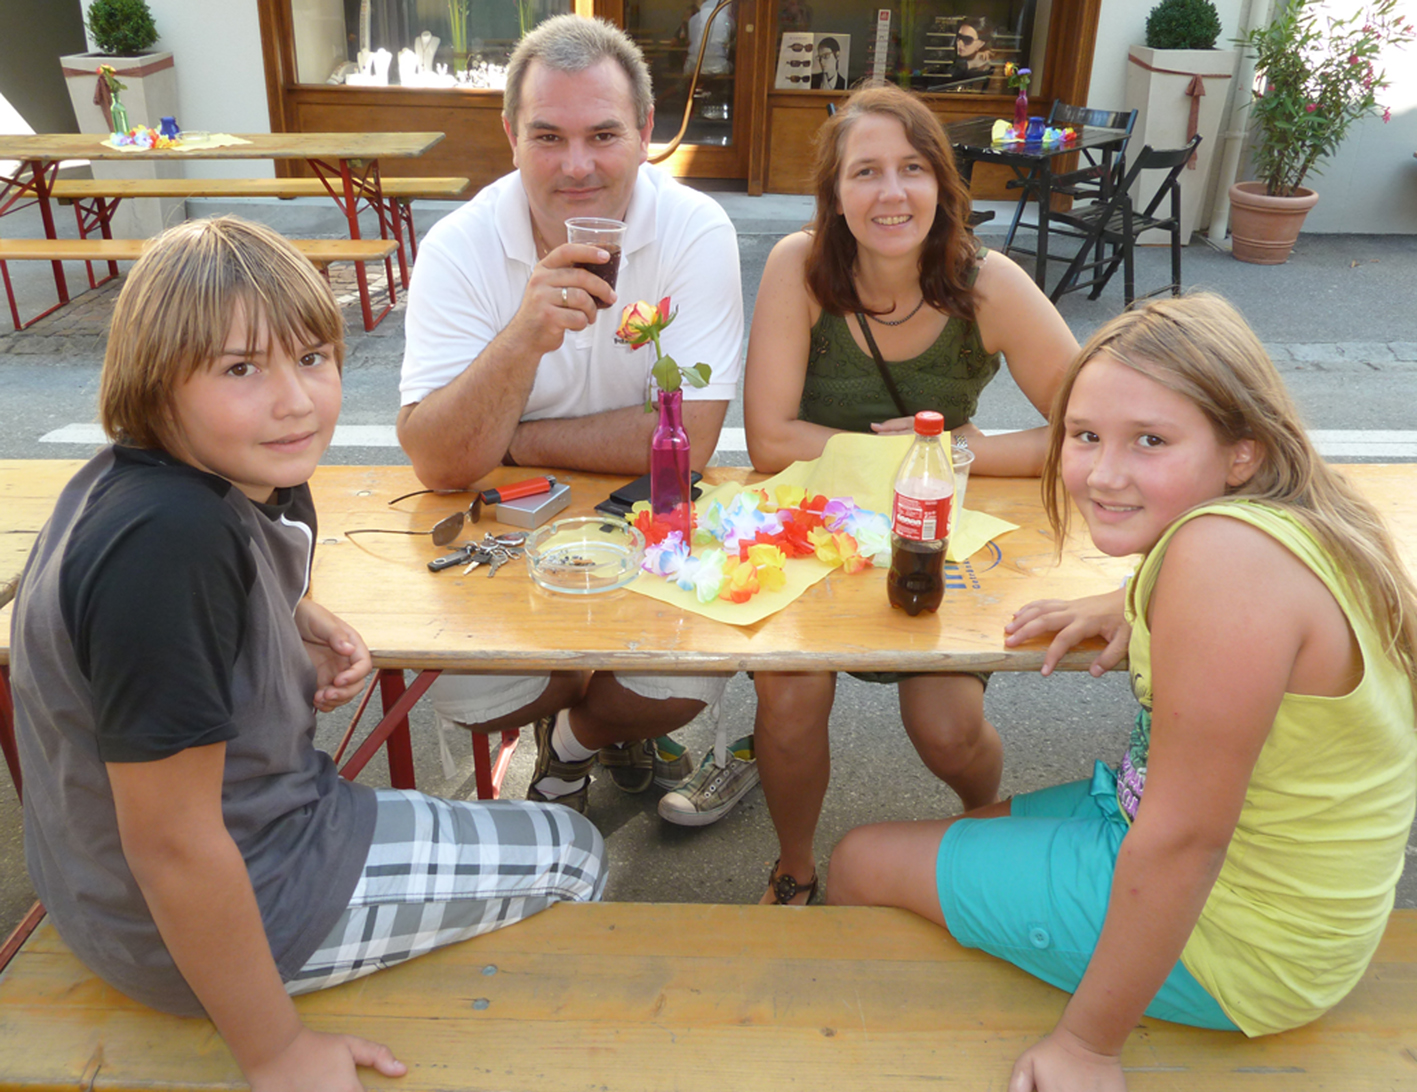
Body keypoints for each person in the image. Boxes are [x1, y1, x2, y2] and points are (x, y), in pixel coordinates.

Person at [9, 216, 607, 1091]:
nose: (293, 400)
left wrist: (293, 614)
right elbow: (173, 845)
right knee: (573, 851)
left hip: (101, 884)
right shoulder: (168, 546)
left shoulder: (169, 479)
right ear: (154, 379)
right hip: (190, 915)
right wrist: (277, 1052)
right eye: (240, 369)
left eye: (311, 357)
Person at [829, 292, 1417, 1090]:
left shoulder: (1222, 566)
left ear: (1240, 452)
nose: (1103, 474)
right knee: (949, 839)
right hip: (1281, 894)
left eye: (1150, 440)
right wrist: (1127, 602)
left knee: (860, 862)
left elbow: (1185, 840)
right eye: (1083, 435)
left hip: (1241, 945)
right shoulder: (1278, 521)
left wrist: (1086, 1048)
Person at [396, 14, 748, 820]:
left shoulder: (694, 229)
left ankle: (574, 742)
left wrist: (510, 438)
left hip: (642, 514)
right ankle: (594, 717)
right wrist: (523, 336)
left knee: (687, 674)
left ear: (646, 132)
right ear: (510, 136)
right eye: (548, 137)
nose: (577, 165)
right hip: (510, 528)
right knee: (474, 693)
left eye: (603, 135)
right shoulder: (459, 245)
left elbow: (687, 442)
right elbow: (439, 463)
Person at [741, 84, 1077, 904]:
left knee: (947, 731)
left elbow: (1091, 430)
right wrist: (904, 454)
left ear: (941, 183)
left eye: (912, 168)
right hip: (812, 530)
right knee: (788, 703)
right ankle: (794, 866)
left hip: (931, 531)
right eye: (865, 172)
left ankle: (983, 826)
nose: (890, 192)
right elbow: (769, 441)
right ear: (834, 195)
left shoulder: (990, 283)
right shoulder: (798, 267)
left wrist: (958, 450)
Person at [947, 18, 993, 84]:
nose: (959, 43)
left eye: (967, 40)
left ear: (981, 44)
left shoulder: (987, 69)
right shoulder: (951, 61)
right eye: (959, 37)